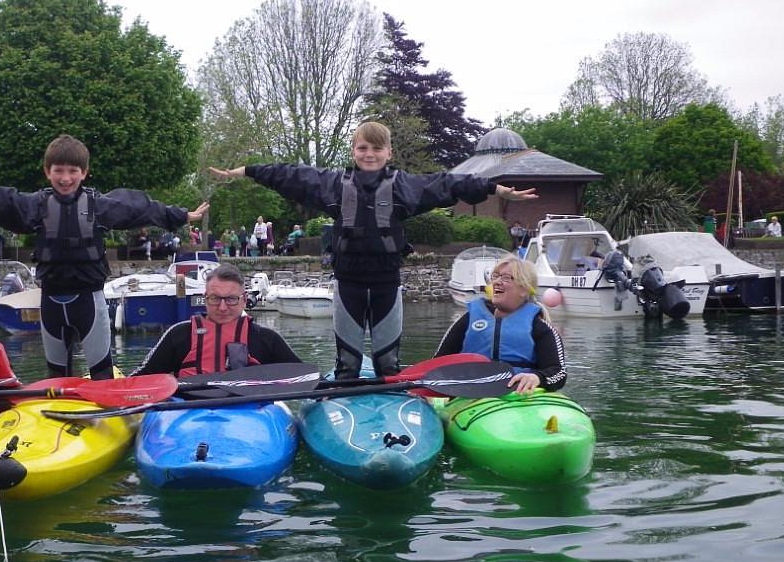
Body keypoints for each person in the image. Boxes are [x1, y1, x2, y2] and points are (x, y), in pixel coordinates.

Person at [210, 120, 537, 380]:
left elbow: (449, 184)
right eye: (363, 148)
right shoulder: (333, 184)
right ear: (354, 151)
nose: (369, 154)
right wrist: (247, 171)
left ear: (388, 153)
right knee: (349, 363)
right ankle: (345, 392)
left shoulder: (406, 187)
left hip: (386, 284)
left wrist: (494, 188)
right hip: (348, 283)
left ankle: (393, 399)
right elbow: (289, 175)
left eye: (376, 149)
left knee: (388, 364)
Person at [0, 133, 207, 380]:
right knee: (56, 371)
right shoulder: (36, 206)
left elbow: (141, 207)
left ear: (84, 172)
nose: (65, 178)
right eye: (58, 171)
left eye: (72, 171)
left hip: (89, 300)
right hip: (51, 301)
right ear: (47, 171)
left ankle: (104, 411)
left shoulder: (100, 206)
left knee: (100, 368)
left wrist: (181, 215)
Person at [131, 264, 302, 376]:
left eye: (231, 299)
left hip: (249, 415)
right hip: (188, 414)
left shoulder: (266, 338)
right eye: (214, 298)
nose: (222, 307)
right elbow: (143, 377)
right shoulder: (179, 335)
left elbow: (302, 377)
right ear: (205, 298)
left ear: (244, 299)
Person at [434, 255, 567, 395]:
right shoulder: (468, 321)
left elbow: (559, 374)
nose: (497, 282)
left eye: (506, 278)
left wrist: (537, 377)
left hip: (520, 397)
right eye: (495, 276)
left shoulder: (541, 328)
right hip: (469, 395)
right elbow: (437, 363)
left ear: (523, 289)